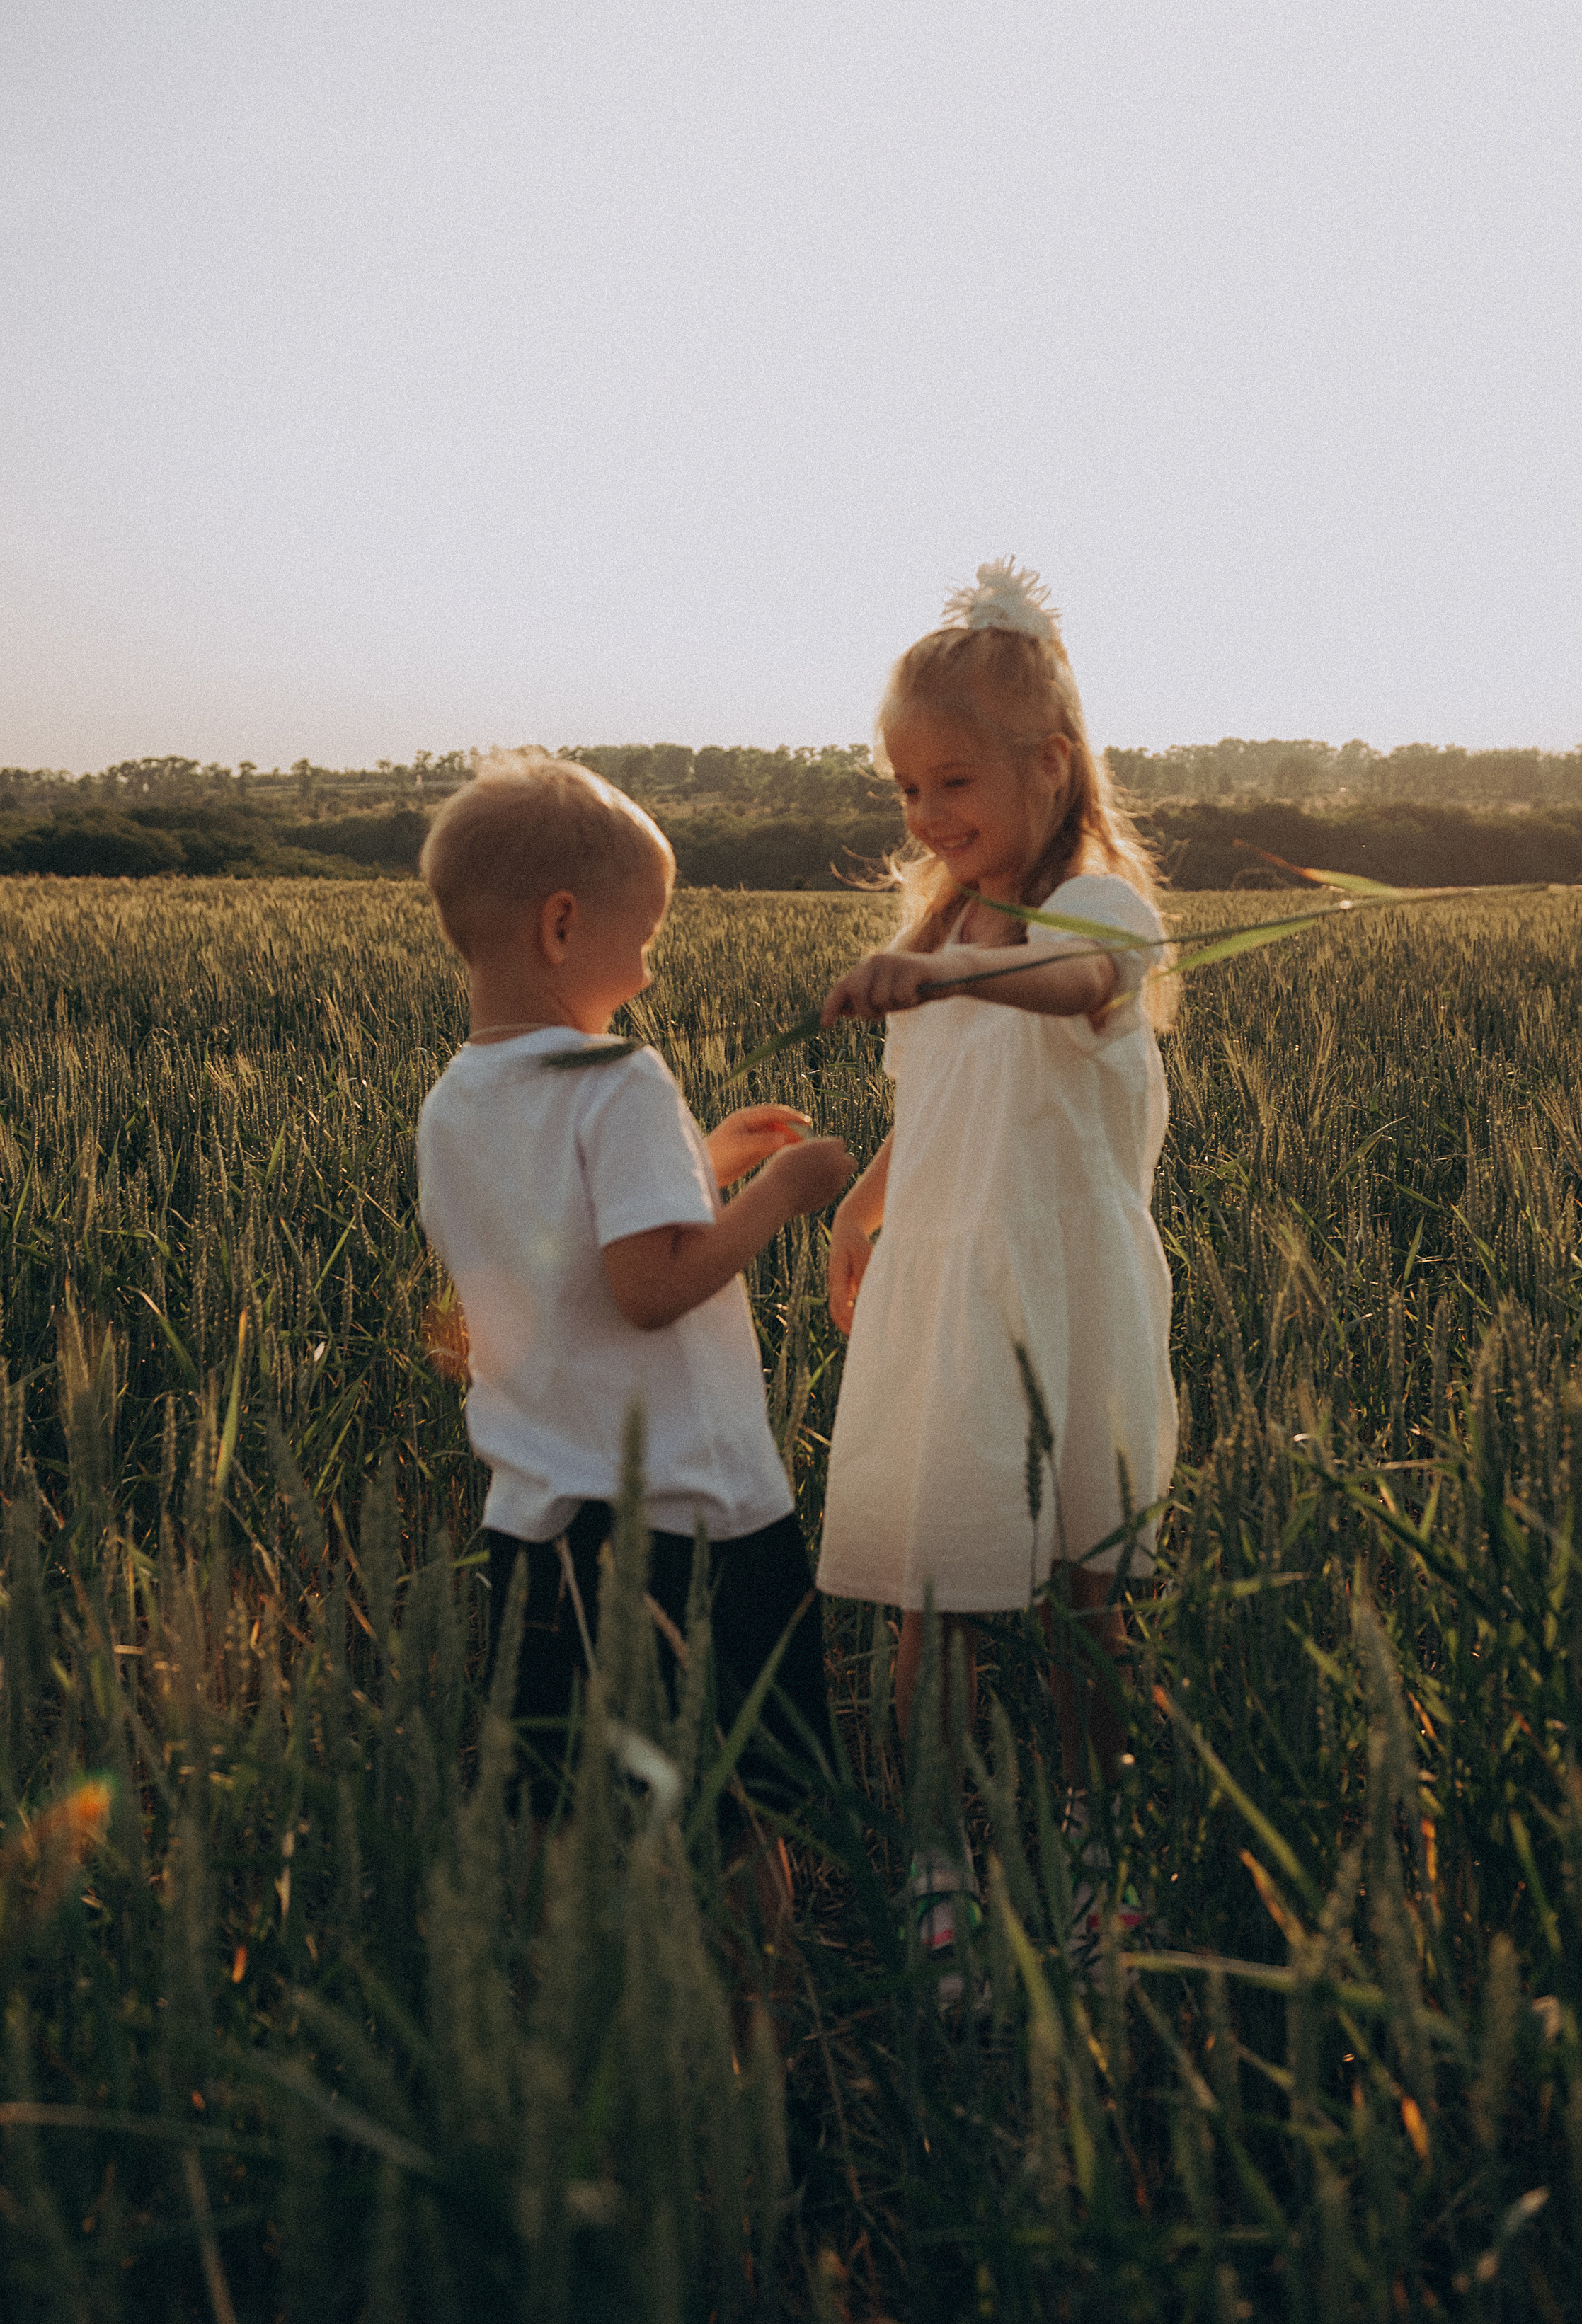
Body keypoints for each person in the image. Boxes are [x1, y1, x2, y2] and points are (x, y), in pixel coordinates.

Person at [814, 560, 1179, 1967]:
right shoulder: (941, 925)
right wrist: (862, 1206)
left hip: (1066, 1295)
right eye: (904, 790)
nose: (924, 817)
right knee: (938, 1598)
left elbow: (1078, 985)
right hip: (952, 1291)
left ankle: (1101, 1852)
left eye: (950, 783)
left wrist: (949, 975)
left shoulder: (1098, 908)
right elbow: (940, 1103)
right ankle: (934, 1863)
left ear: (1049, 763)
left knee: (1093, 1596)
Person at [414, 751, 854, 1815]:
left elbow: (558, 1243)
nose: (651, 972)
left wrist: (702, 1163)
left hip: (538, 1517)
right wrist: (781, 1193)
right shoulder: (620, 1077)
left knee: (565, 1806)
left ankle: (583, 1975)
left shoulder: (452, 1101)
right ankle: (763, 1977)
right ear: (562, 926)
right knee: (759, 1795)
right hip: (693, 1507)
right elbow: (647, 1289)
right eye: (646, 939)